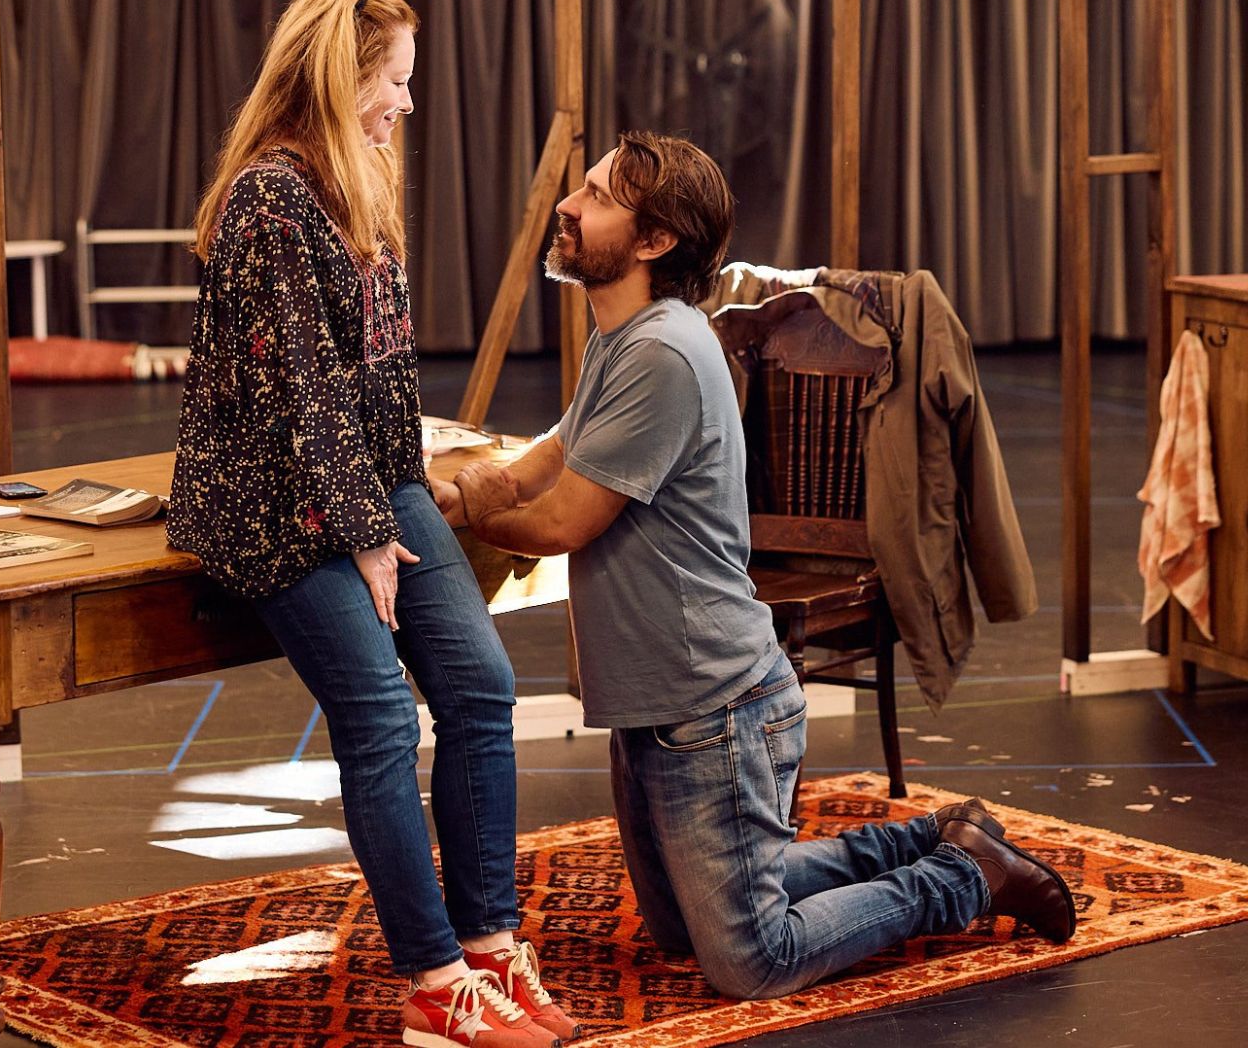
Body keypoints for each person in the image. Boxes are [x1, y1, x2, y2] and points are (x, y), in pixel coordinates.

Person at [444, 131, 1076, 1001]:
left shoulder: (662, 351)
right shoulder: (624, 336)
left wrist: (466, 517)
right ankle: (927, 837)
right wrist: (473, 491)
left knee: (753, 959)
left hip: (715, 707)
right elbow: (558, 448)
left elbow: (562, 522)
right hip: (660, 703)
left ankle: (966, 877)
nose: (568, 205)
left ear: (654, 240)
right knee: (679, 931)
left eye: (595, 197)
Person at [167, 0, 577, 1046]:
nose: (405, 101)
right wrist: (363, 536)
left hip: (366, 479)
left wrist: (400, 496)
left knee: (481, 687)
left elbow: (374, 376)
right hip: (273, 498)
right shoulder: (269, 199)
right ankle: (435, 987)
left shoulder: (354, 179)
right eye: (393, 80)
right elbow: (301, 389)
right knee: (383, 719)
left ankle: (489, 943)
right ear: (339, 77)